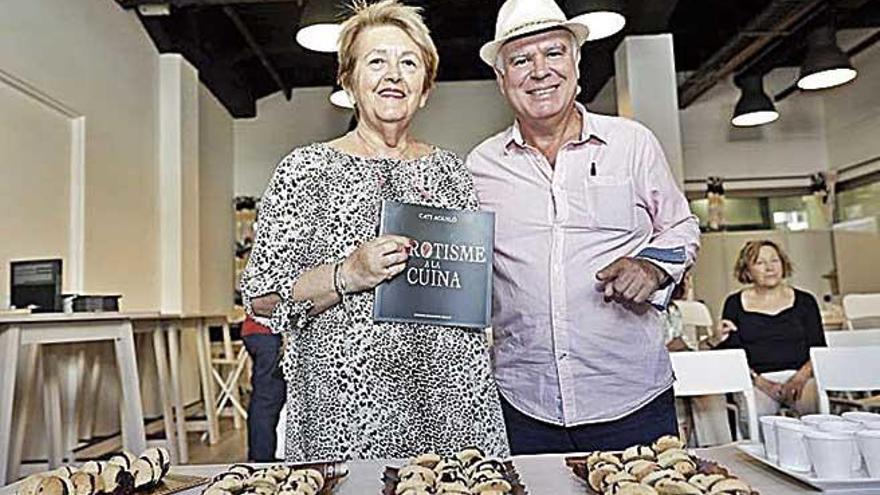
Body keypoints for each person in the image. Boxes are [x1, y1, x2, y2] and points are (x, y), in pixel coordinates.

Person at [240, 0, 508, 462]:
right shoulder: (305, 170)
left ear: (425, 89)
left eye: (409, 63)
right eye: (376, 61)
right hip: (345, 417)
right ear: (348, 80)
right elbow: (261, 297)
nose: (393, 75)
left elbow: (468, 291)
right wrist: (347, 274)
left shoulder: (451, 173)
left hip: (452, 412)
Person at [466, 0, 701, 454]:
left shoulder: (632, 144)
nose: (539, 71)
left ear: (575, 63)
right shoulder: (480, 166)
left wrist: (652, 267)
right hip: (521, 403)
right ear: (502, 79)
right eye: (520, 60)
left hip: (632, 399)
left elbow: (681, 227)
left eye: (553, 53)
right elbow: (462, 271)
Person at [704, 240, 824, 417]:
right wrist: (763, 383)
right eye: (760, 263)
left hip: (801, 377)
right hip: (755, 380)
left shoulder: (806, 301)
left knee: (813, 411)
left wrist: (799, 379)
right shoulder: (734, 304)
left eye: (774, 261)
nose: (770, 268)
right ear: (747, 271)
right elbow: (733, 352)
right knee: (756, 412)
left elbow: (818, 347)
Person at [240, 315, 286, 461]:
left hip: (259, 332)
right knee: (268, 397)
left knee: (265, 396)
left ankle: (259, 457)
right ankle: (262, 461)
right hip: (267, 332)